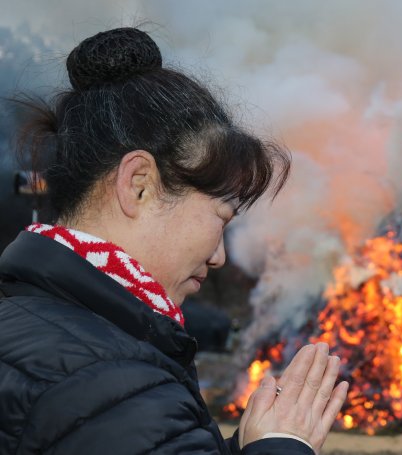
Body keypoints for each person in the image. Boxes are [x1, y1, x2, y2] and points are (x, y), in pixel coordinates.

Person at [0, 28, 348, 454]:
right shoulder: (109, 383)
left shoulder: (35, 323)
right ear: (139, 186)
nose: (219, 256)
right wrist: (283, 447)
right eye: (222, 218)